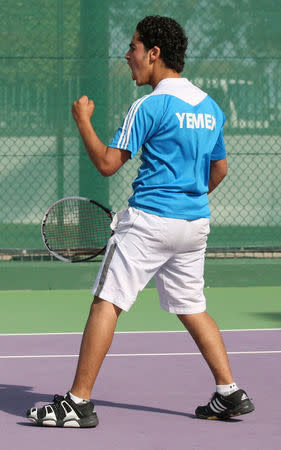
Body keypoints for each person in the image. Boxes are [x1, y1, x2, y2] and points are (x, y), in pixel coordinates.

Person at [26, 15, 254, 428]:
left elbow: (108, 164)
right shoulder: (210, 107)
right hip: (194, 226)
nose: (126, 55)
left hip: (148, 223)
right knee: (192, 307)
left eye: (132, 47)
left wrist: (82, 121)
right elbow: (218, 172)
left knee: (106, 302)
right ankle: (229, 392)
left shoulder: (149, 105)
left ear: (154, 53)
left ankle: (77, 403)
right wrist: (185, 201)